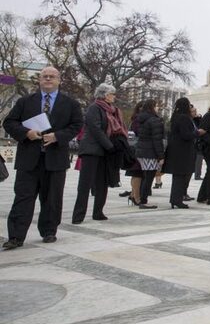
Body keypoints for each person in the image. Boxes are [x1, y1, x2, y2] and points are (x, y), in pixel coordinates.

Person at [2, 66, 83, 248]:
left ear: (58, 80)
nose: (48, 79)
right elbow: (9, 123)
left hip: (55, 159)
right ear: (39, 80)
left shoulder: (70, 103)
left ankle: (49, 231)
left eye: (52, 76)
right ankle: (15, 236)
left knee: (52, 198)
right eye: (44, 76)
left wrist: (57, 136)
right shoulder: (25, 101)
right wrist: (26, 132)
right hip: (29, 159)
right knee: (23, 198)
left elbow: (77, 125)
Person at [72, 83, 128, 224]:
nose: (114, 96)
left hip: (106, 152)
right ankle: (79, 214)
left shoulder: (113, 111)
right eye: (112, 94)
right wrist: (109, 145)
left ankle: (98, 211)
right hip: (92, 149)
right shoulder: (94, 108)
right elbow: (95, 129)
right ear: (104, 95)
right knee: (86, 183)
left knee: (102, 182)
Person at [164, 97, 203, 208]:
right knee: (181, 177)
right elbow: (186, 135)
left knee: (177, 177)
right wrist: (197, 133)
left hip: (175, 150)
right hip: (183, 151)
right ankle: (177, 200)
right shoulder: (184, 118)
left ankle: (175, 199)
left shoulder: (175, 117)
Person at [134, 99, 164, 208]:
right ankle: (143, 200)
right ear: (152, 107)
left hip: (142, 151)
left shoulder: (142, 118)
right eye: (156, 106)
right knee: (149, 177)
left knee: (146, 176)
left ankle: (141, 198)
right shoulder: (154, 120)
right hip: (150, 152)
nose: (158, 108)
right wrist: (161, 156)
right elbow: (157, 140)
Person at [192, 105, 204, 180]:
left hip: (198, 142)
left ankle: (197, 175)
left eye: (195, 111)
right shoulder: (189, 120)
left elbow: (201, 125)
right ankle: (197, 175)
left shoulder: (197, 119)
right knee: (198, 159)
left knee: (199, 159)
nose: (195, 113)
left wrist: (199, 117)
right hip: (195, 143)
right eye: (193, 111)